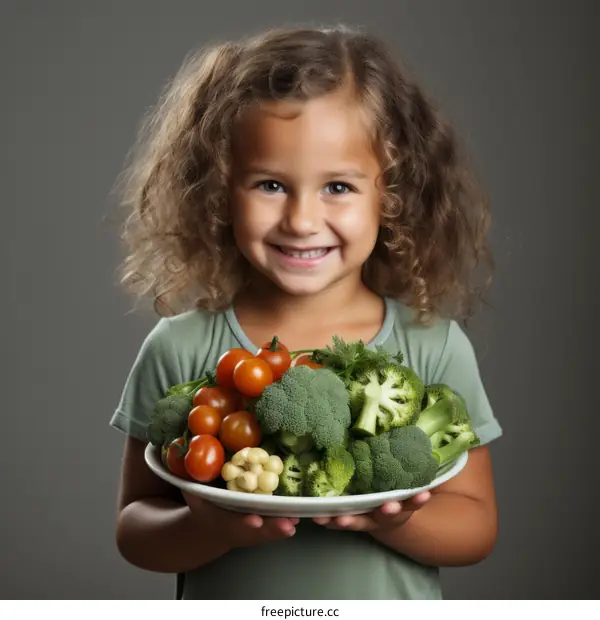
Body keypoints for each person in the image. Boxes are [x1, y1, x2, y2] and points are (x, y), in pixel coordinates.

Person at [109, 24, 503, 600]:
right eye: (270, 184)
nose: (300, 220)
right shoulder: (179, 347)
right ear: (222, 192)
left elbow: (477, 527)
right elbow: (135, 528)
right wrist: (205, 528)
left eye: (338, 187)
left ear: (390, 195)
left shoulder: (432, 345)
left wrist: (394, 519)